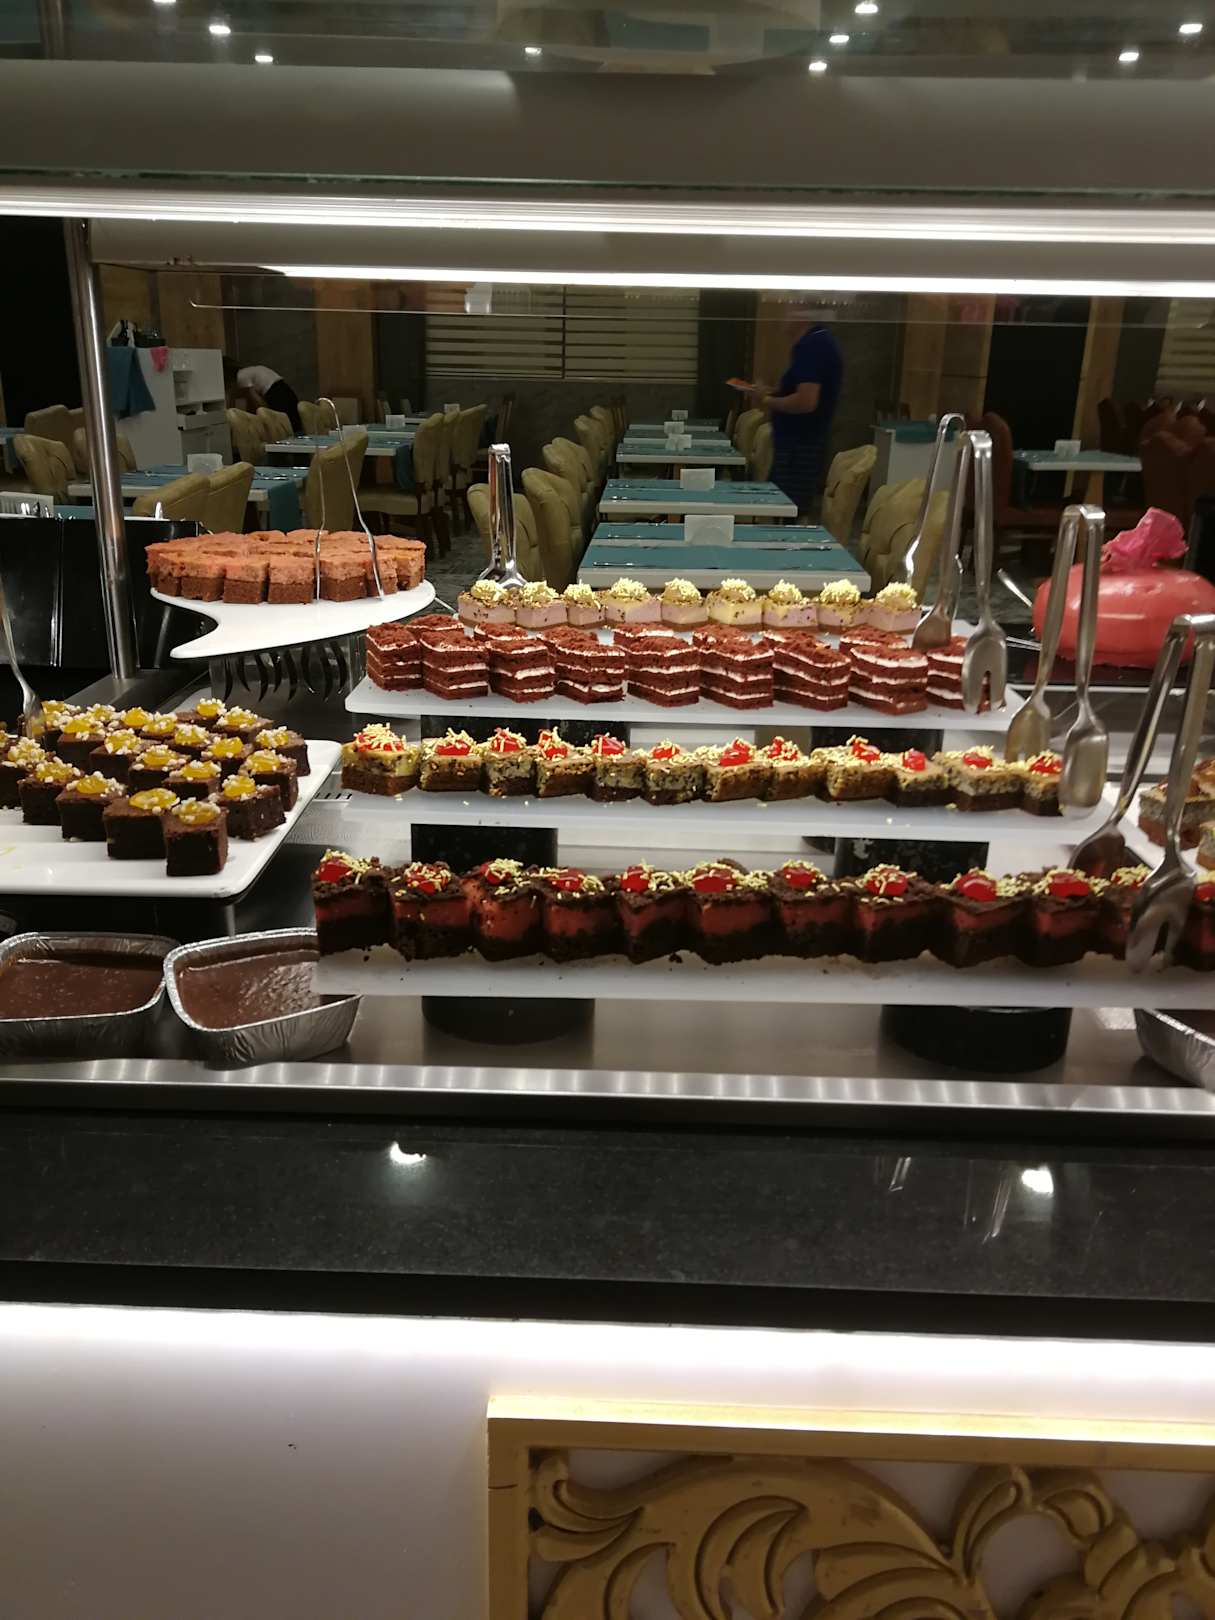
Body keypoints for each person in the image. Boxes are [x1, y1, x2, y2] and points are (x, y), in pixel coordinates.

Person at [748, 309, 843, 517]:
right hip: (798, 444)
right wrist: (770, 392)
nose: (782, 318)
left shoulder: (812, 345)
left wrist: (767, 400)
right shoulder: (816, 342)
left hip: (800, 448)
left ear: (803, 315)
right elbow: (799, 390)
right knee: (783, 511)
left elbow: (806, 401)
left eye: (788, 312)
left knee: (788, 512)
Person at [225, 358, 303, 433]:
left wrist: (264, 411)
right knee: (294, 423)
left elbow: (252, 396)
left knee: (285, 427)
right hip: (285, 389)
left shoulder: (240, 377)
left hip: (275, 393)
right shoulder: (247, 371)